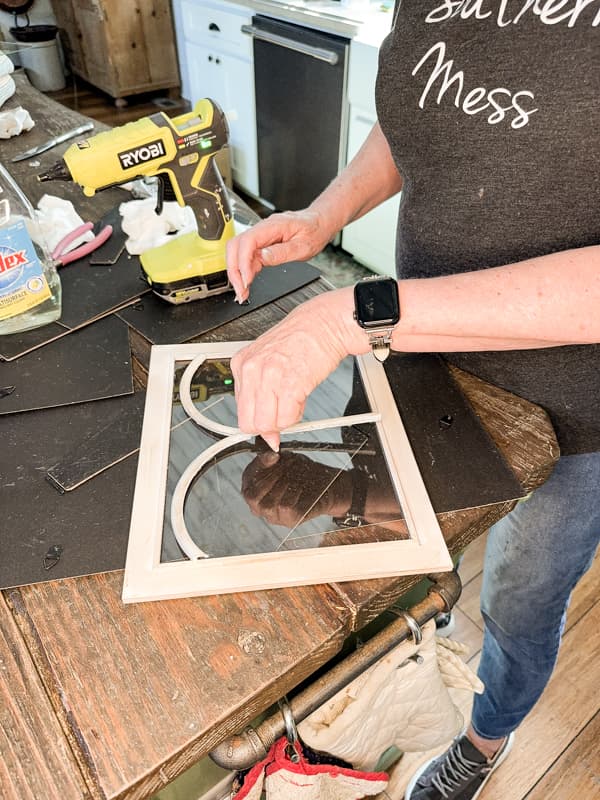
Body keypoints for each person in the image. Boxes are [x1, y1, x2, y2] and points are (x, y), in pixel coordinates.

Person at [226, 2, 600, 798]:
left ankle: (483, 738)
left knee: (517, 600)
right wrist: (325, 213)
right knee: (398, 564)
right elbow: (430, 108)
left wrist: (354, 313)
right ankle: (403, 691)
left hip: (569, 408)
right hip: (411, 356)